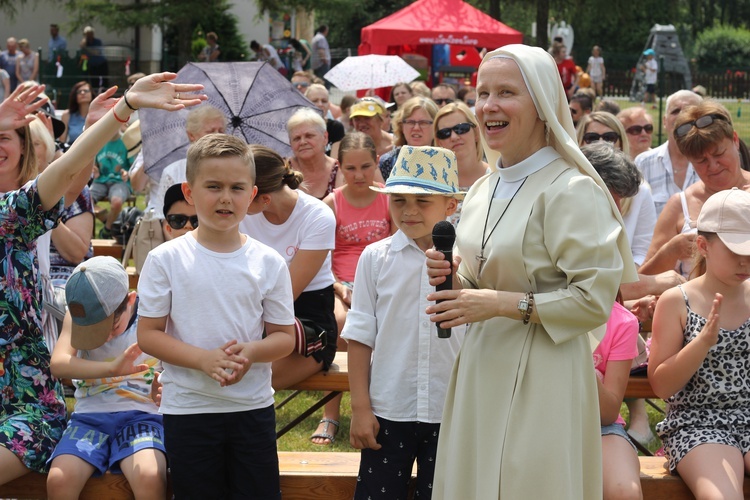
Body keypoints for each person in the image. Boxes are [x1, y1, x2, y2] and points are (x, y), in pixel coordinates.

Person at [424, 44, 637, 499]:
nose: (489, 106)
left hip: (546, 372)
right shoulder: (483, 187)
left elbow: (593, 301)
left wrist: (500, 304)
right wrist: (454, 279)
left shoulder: (572, 189)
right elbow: (482, 280)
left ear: (542, 103)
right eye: (482, 93)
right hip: (482, 365)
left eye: (506, 92)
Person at [0, 72, 205, 488]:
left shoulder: (10, 214)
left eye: (4, 138)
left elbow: (69, 172)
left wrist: (121, 110)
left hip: (24, 402)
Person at [137, 134, 295, 499]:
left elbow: (284, 337)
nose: (226, 197)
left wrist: (250, 353)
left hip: (252, 408)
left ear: (252, 195)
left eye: (237, 187)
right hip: (188, 409)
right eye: (213, 186)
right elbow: (148, 334)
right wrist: (203, 359)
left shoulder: (269, 262)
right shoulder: (166, 259)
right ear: (190, 193)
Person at [344, 145, 466, 499]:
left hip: (451, 410)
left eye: (422, 201)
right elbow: (360, 335)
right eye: (398, 200)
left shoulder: (471, 258)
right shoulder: (376, 258)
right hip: (389, 408)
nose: (409, 211)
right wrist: (361, 408)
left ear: (450, 206)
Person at [649, 188, 750, 499]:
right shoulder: (677, 301)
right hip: (696, 423)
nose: (745, 261)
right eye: (736, 251)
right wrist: (702, 342)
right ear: (704, 245)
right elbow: (661, 386)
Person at [47, 256, 166, 500]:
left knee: (149, 475)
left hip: (143, 414)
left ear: (130, 300)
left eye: (111, 327)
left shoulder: (151, 315)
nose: (105, 338)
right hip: (89, 417)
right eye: (91, 331)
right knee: (59, 478)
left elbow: (171, 365)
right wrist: (112, 369)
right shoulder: (76, 314)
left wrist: (163, 383)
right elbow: (59, 364)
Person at [238, 145, 337, 391]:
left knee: (246, 383)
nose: (229, 197)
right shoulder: (243, 213)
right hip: (250, 316)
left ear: (262, 197)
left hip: (308, 327)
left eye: (237, 188)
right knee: (222, 377)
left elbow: (285, 295)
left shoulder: (318, 216)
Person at [317, 133, 393, 445]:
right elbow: (318, 258)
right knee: (339, 323)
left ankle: (382, 405)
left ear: (377, 163)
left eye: (365, 166)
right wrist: (337, 286)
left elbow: (399, 245)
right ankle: (330, 413)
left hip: (382, 280)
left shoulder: (390, 198)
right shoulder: (331, 204)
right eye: (350, 168)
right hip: (341, 283)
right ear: (339, 167)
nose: (359, 175)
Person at [641, 100, 750, 279]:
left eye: (719, 154)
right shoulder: (680, 205)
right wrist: (672, 250)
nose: (713, 166)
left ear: (735, 141)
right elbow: (642, 281)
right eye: (701, 161)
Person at [634, 90, 702, 215]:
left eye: (689, 110)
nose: (681, 115)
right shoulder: (643, 163)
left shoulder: (713, 164)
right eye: (675, 111)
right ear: (664, 121)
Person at [153, 104, 227, 218]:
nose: (218, 136)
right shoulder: (173, 172)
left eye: (221, 131)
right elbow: (161, 217)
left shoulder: (232, 171)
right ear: (191, 135)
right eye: (211, 131)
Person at [433, 101, 489, 225]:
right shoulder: (433, 184)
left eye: (461, 128)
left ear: (475, 132)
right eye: (445, 133)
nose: (453, 137)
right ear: (439, 141)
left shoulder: (497, 177)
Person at [287, 108, 345, 200]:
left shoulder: (341, 170)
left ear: (325, 138)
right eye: (297, 138)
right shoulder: (282, 171)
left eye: (309, 136)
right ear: (290, 143)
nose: (302, 142)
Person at [378, 96, 438, 179]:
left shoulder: (446, 161)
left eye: (423, 123)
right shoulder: (388, 161)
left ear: (435, 126)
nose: (416, 128)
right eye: (410, 122)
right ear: (401, 126)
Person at [92, 128, 133, 239]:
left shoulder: (127, 141)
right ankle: (110, 220)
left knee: (116, 202)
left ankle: (107, 230)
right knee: (85, 199)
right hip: (100, 180)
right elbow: (93, 164)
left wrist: (127, 173)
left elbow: (135, 167)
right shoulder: (99, 140)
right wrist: (94, 169)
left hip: (120, 182)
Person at [305, 83, 345, 155]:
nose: (320, 104)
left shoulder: (335, 127)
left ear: (329, 105)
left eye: (324, 101)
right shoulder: (299, 128)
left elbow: (335, 161)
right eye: (315, 101)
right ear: (305, 103)